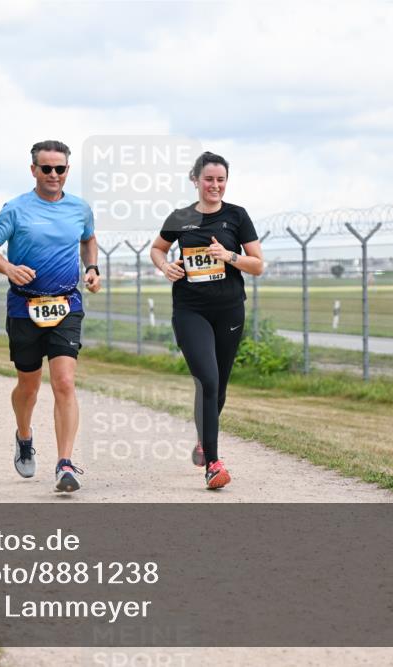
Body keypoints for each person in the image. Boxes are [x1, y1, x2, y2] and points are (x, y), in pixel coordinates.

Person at [0, 140, 100, 493]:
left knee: (64, 382)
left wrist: (92, 268)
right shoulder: (15, 209)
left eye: (59, 168)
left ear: (67, 171)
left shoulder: (80, 208)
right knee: (28, 387)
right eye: (46, 168)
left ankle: (65, 463)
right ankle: (24, 436)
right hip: (24, 307)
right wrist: (9, 269)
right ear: (33, 170)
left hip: (66, 305)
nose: (53, 175)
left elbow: (89, 239)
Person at [149, 151, 265, 490]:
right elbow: (157, 248)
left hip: (229, 310)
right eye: (209, 179)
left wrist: (228, 256)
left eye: (221, 179)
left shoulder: (237, 216)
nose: (215, 185)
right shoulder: (180, 217)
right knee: (208, 380)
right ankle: (213, 464)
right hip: (190, 310)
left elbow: (258, 264)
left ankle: (204, 438)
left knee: (220, 387)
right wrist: (165, 265)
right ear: (195, 180)